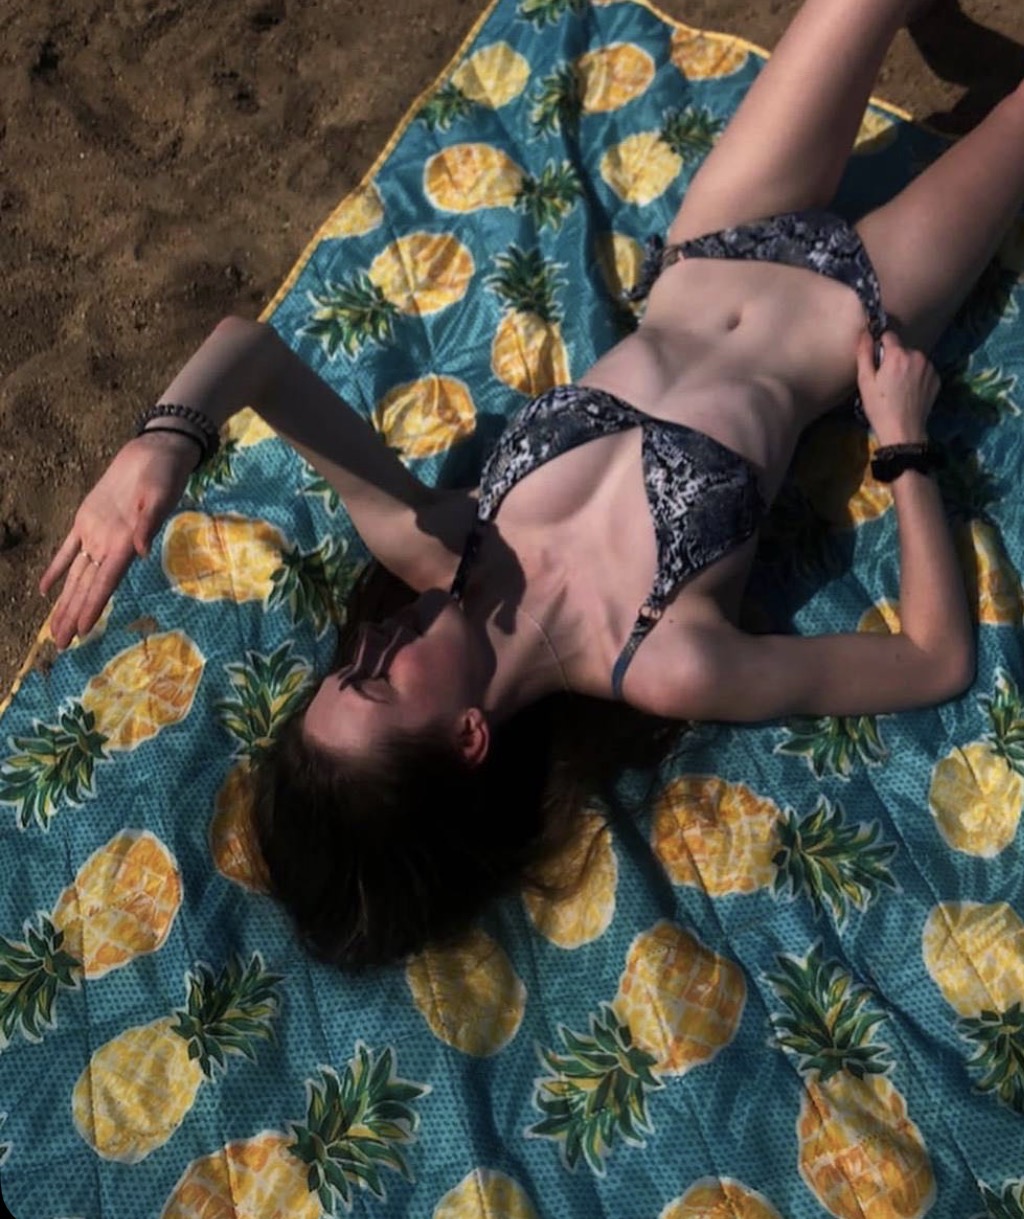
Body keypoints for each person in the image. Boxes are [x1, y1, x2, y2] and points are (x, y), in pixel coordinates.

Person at [38, 0, 1021, 969]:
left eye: (346, 663)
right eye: (376, 677)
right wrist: (900, 439)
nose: (370, 636)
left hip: (717, 238)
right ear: (468, 738)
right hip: (861, 308)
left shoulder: (434, 538)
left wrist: (163, 444)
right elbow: (931, 658)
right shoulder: (662, 658)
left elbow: (249, 353)